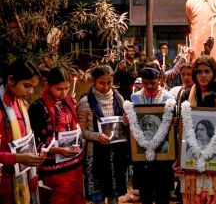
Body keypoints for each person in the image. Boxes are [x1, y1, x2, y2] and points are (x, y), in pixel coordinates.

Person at [177, 55, 216, 204]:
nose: (203, 75)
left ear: (214, 72)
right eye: (199, 71)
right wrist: (179, 158)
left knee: (215, 196)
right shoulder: (187, 95)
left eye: (207, 71)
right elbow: (181, 129)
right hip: (191, 158)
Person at [28, 67, 85, 204]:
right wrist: (58, 150)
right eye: (59, 89)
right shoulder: (38, 107)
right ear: (48, 86)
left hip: (74, 165)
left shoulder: (68, 103)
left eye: (67, 88)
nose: (64, 93)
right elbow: (34, 142)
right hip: (52, 170)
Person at [77, 65, 129, 204]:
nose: (106, 87)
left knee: (114, 193)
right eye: (101, 83)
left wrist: (126, 121)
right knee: (98, 196)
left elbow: (123, 124)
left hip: (115, 153)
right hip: (95, 154)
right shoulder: (85, 102)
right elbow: (80, 131)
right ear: (94, 81)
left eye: (109, 83)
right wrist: (96, 136)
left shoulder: (119, 99)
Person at [0, 59, 45, 204]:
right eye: (27, 86)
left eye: (33, 87)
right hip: (4, 181)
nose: (31, 92)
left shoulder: (20, 103)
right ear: (11, 80)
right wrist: (18, 158)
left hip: (23, 176)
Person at [130, 63, 175, 204]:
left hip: (163, 154)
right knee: (145, 194)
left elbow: (174, 126)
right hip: (142, 154)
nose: (149, 86)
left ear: (160, 79)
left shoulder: (168, 98)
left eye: (153, 83)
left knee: (163, 195)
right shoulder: (135, 98)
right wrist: (127, 119)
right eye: (145, 83)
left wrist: (175, 122)